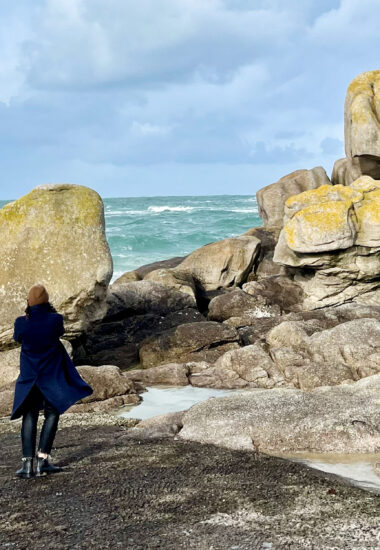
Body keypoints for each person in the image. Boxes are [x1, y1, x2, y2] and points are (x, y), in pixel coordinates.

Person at [11, 284, 93, 478]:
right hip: (52, 376)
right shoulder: (55, 319)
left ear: (29, 302)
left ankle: (27, 465)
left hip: (30, 376)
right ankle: (42, 460)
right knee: (52, 413)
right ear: (47, 301)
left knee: (29, 416)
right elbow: (59, 333)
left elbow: (18, 338)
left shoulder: (21, 322)